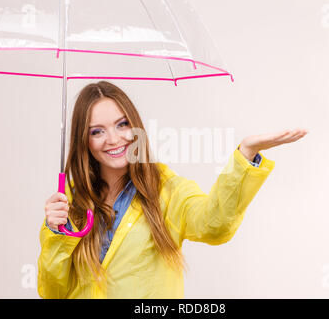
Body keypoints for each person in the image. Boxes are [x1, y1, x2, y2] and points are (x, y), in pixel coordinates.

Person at [37, 80, 308, 299]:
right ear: (83, 140)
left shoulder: (165, 189)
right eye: (97, 131)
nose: (114, 139)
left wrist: (245, 156)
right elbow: (53, 292)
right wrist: (55, 234)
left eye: (122, 124)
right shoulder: (70, 203)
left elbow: (215, 224)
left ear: (135, 126)